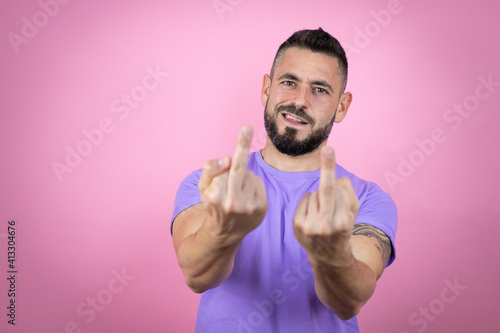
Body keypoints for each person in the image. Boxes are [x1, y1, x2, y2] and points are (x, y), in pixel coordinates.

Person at [171, 28, 398, 332]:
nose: (300, 101)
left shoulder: (368, 199)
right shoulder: (211, 186)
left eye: (319, 89)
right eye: (289, 82)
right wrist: (223, 229)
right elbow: (196, 277)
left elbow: (349, 302)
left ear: (341, 107)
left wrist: (328, 253)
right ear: (266, 89)